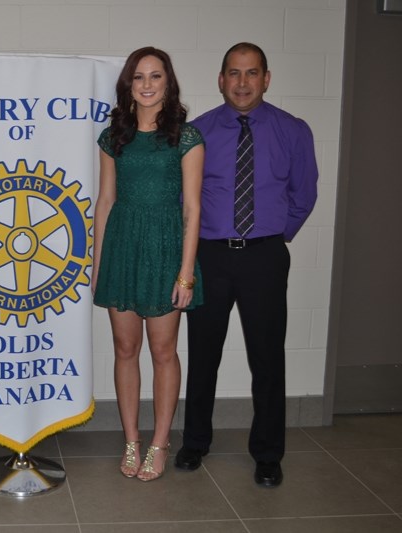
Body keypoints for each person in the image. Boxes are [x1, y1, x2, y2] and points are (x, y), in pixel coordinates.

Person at [175, 42, 318, 488]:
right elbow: (183, 199)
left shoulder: (293, 130)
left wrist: (274, 235)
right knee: (203, 356)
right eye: (233, 73)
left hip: (265, 257)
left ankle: (268, 454)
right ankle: (195, 442)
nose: (242, 83)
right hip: (210, 257)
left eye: (251, 73)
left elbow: (304, 193)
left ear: (266, 78)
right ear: (220, 80)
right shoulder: (195, 132)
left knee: (267, 359)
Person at [93, 47, 204, 482]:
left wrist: (186, 272)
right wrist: (100, 266)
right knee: (125, 350)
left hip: (165, 248)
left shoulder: (187, 137)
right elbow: (105, 202)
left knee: (162, 352)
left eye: (155, 76)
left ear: (167, 82)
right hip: (122, 247)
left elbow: (192, 210)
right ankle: (131, 441)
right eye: (139, 77)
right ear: (128, 84)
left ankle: (159, 442)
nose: (147, 84)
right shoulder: (112, 136)